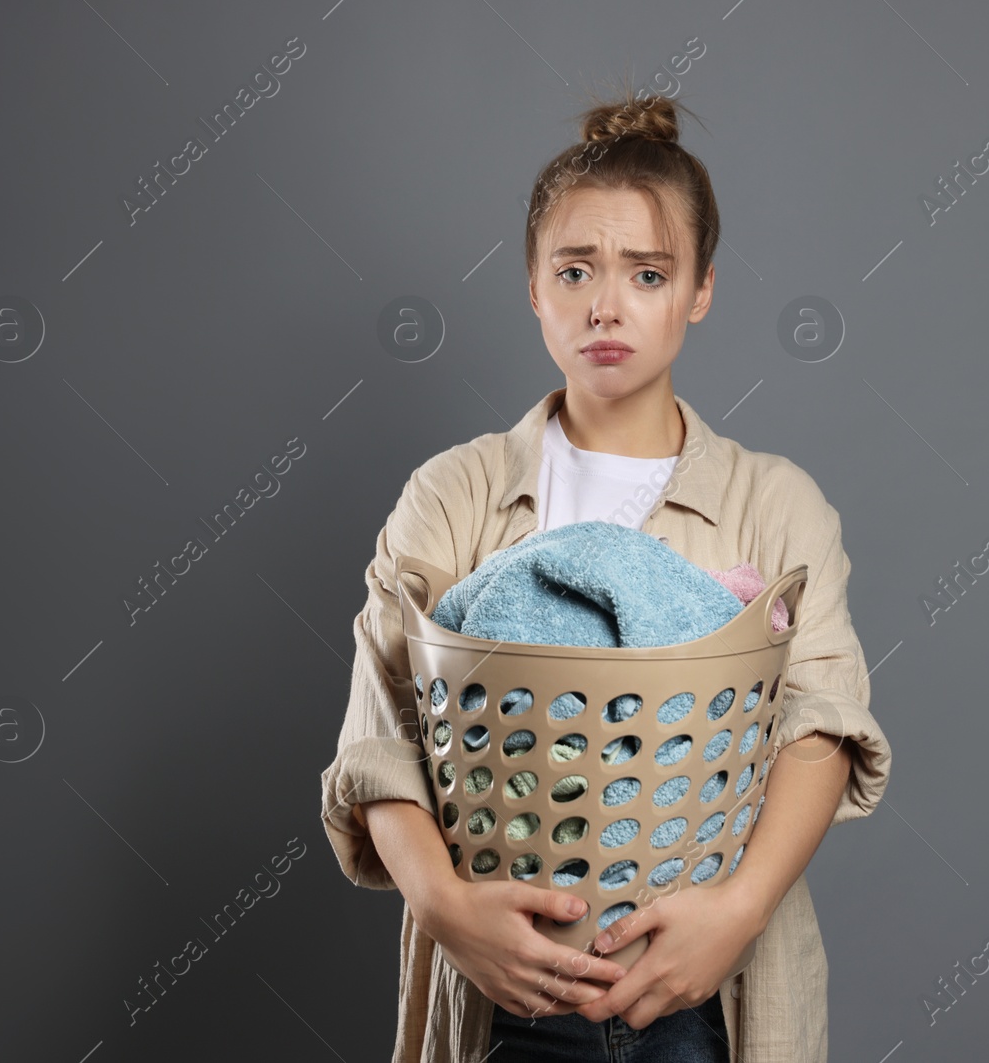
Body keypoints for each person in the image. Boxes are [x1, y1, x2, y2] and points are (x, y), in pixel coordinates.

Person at [319, 87, 894, 1063]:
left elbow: (820, 722)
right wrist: (451, 907)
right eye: (575, 269)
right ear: (534, 288)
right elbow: (382, 735)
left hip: (707, 991)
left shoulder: (773, 498)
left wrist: (737, 910)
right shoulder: (456, 492)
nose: (606, 303)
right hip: (501, 992)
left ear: (700, 289)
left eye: (648, 272)